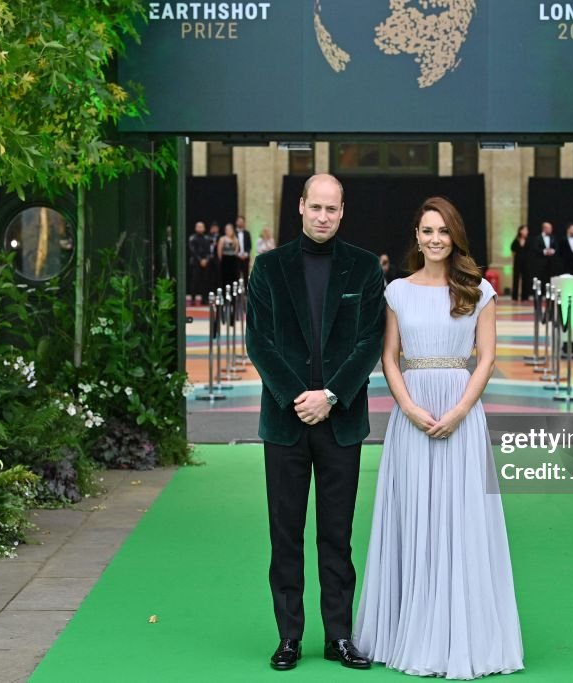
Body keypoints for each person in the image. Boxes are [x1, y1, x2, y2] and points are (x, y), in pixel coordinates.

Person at [354, 196, 524, 679]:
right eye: (427, 231)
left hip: (460, 413)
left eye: (443, 232)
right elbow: (389, 356)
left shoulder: (478, 291)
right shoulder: (398, 292)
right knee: (413, 517)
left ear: (455, 237)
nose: (434, 239)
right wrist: (407, 407)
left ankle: (461, 635)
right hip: (411, 417)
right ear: (417, 237)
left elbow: (486, 358)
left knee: (459, 517)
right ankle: (407, 627)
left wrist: (460, 410)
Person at [246, 174, 385, 672]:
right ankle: (289, 637)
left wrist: (329, 396)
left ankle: (339, 637)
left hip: (341, 422)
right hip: (285, 424)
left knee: (337, 535)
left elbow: (370, 341)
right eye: (315, 207)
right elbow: (259, 342)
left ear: (343, 212)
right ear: (300, 207)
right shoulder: (268, 267)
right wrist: (297, 398)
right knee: (284, 534)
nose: (323, 216)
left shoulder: (366, 268)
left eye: (332, 209)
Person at [187, 221, 210, 306]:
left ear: (204, 228)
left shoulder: (207, 238)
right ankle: (193, 299)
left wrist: (206, 260)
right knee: (194, 281)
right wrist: (200, 260)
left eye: (201, 227)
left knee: (205, 281)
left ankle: (204, 299)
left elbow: (209, 251)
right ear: (195, 228)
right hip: (195, 263)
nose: (200, 228)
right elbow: (193, 251)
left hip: (205, 263)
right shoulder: (192, 238)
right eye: (198, 227)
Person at [530, 220, 557, 285]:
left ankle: (548, 294)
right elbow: (535, 249)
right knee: (539, 278)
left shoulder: (553, 238)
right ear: (544, 228)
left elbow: (556, 247)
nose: (551, 229)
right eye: (549, 228)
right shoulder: (537, 238)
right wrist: (545, 252)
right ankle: (538, 294)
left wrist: (552, 251)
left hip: (550, 262)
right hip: (540, 262)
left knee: (549, 279)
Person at [509, 224, 531, 301]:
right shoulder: (516, 240)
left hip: (526, 262)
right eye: (525, 230)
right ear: (520, 231)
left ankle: (525, 296)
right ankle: (514, 296)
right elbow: (512, 248)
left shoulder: (528, 240)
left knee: (525, 278)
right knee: (516, 278)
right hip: (517, 262)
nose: (527, 232)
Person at [217, 223, 240, 292]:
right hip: (225, 260)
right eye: (227, 229)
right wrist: (221, 260)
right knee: (225, 277)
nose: (228, 231)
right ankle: (224, 293)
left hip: (233, 260)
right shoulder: (222, 239)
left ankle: (233, 295)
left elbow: (236, 250)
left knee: (233, 277)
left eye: (229, 229)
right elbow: (219, 251)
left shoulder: (235, 239)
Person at [236, 215, 253, 288]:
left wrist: (245, 254)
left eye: (242, 222)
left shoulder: (247, 233)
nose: (240, 223)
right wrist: (238, 254)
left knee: (246, 275)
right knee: (236, 275)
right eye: (239, 221)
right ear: (236, 222)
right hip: (236, 257)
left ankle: (247, 292)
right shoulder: (233, 233)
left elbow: (249, 245)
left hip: (245, 257)